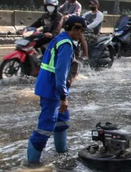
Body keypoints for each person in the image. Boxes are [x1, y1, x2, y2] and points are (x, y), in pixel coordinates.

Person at [27, 16, 87, 163]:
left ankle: (62, 153)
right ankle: (32, 165)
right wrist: (63, 97)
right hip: (52, 89)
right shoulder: (66, 45)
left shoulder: (59, 38)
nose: (82, 35)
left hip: (49, 85)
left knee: (62, 121)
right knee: (45, 128)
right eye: (81, 31)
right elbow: (61, 73)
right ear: (74, 29)